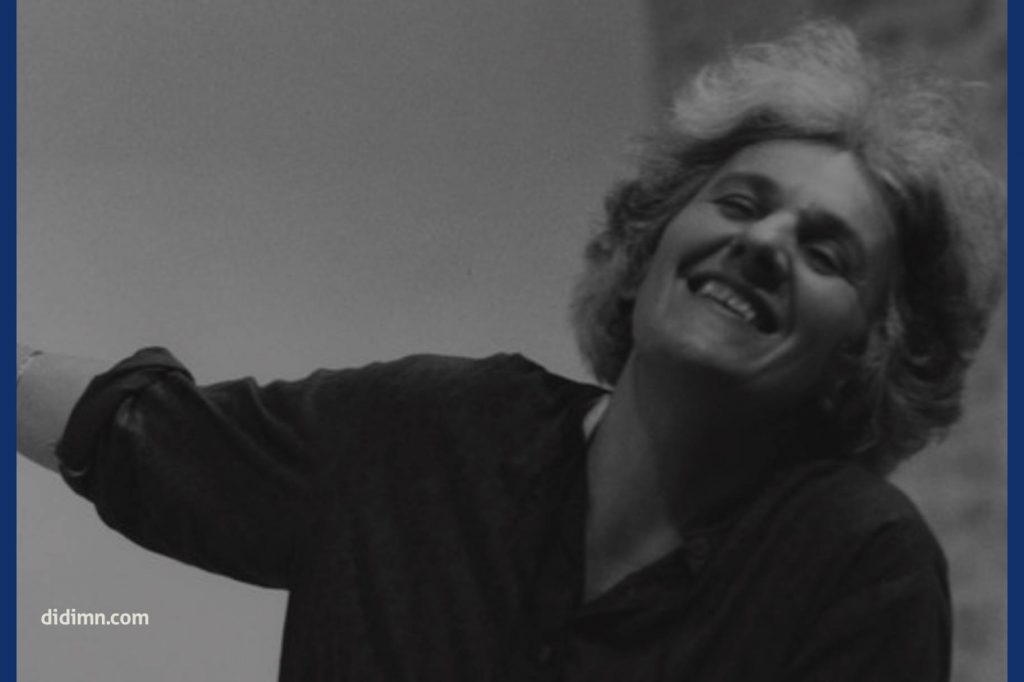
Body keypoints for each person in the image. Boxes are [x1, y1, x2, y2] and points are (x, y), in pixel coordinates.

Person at [16, 20, 1005, 682]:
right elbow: (130, 430)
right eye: (740, 203)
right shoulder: (420, 434)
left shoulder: (854, 562)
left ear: (870, 351)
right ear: (650, 241)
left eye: (825, 252)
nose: (764, 243)